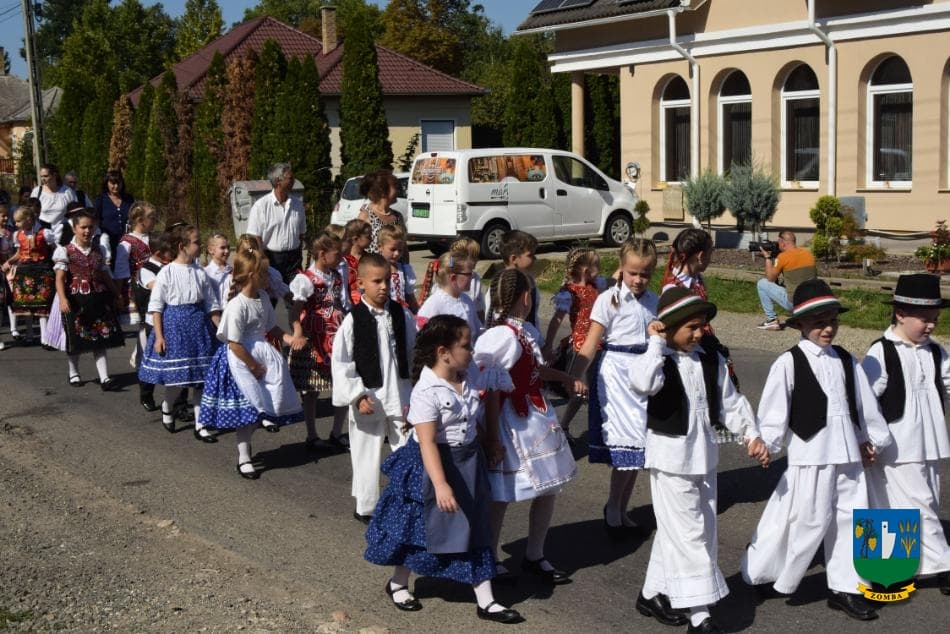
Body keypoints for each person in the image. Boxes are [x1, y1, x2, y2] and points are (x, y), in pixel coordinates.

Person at [741, 279, 893, 622]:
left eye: (832, 321)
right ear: (799, 324)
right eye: (819, 322)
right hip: (811, 456)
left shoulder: (847, 360)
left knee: (853, 519)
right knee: (804, 523)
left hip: (848, 456)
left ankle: (847, 588)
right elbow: (775, 412)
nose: (828, 328)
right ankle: (765, 573)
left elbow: (863, 407)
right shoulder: (788, 363)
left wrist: (871, 440)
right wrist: (767, 442)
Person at [363, 315, 522, 624]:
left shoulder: (467, 377)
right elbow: (427, 443)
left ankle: (486, 600)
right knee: (418, 529)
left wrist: (489, 442)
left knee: (476, 525)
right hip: (433, 466)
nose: (472, 351)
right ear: (443, 352)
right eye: (466, 346)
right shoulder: (427, 391)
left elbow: (470, 418)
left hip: (468, 462)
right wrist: (440, 484)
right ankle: (398, 583)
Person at [631, 287, 768, 632]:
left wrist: (750, 434)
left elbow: (730, 402)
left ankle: (651, 593)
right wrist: (656, 343)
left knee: (689, 530)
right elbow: (642, 383)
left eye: (701, 326)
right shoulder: (657, 359)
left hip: (704, 458)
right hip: (670, 461)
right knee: (691, 536)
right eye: (690, 327)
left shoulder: (710, 358)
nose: (698, 334)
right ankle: (700, 613)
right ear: (668, 327)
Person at [474, 268, 582, 586]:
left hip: (534, 415)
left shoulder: (524, 332)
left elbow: (534, 369)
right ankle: (489, 558)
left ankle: (535, 554)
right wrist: (492, 438)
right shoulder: (502, 336)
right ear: (526, 297)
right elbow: (490, 387)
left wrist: (565, 378)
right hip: (510, 420)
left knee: (548, 486)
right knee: (501, 492)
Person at [861, 274, 950, 594]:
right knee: (915, 504)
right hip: (896, 442)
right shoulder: (881, 351)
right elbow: (865, 400)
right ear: (900, 314)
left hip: (929, 441)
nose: (931, 325)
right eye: (925, 319)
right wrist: (867, 439)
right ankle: (944, 565)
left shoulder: (936, 351)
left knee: (915, 503)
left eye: (935, 319)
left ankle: (892, 570)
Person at [571, 238, 659, 539]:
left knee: (638, 447)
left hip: (643, 375)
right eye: (633, 273)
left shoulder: (654, 301)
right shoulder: (608, 299)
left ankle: (620, 509)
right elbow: (591, 343)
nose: (638, 280)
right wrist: (576, 375)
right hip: (617, 378)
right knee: (626, 446)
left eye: (645, 274)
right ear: (622, 268)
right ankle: (613, 510)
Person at [199, 245, 305, 480]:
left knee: (267, 399)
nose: (269, 277)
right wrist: (254, 366)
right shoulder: (237, 305)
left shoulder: (263, 297)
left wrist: (290, 339)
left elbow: (270, 327)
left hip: (261, 353)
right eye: (265, 273)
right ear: (251, 275)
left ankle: (262, 423)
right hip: (241, 360)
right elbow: (234, 343)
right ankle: (244, 457)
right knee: (247, 411)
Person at [331, 252, 417, 523]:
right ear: (360, 284)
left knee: (407, 449)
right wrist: (356, 396)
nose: (383, 287)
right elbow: (341, 362)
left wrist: (418, 385)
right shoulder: (353, 320)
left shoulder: (401, 314)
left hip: (400, 394)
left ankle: (408, 500)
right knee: (366, 453)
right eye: (377, 281)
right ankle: (366, 506)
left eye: (387, 281)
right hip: (370, 397)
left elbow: (414, 350)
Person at [138, 223, 222, 442]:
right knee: (178, 379)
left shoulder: (200, 272)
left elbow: (211, 305)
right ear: (182, 246)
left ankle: (200, 425)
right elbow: (156, 307)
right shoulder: (167, 272)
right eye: (196, 242)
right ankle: (167, 406)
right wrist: (159, 337)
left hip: (199, 328)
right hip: (175, 329)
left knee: (202, 379)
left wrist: (223, 331)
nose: (200, 246)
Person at [288, 232, 349, 452]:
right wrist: (297, 332)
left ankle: (337, 431)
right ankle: (312, 434)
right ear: (323, 254)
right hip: (316, 338)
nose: (341, 258)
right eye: (337, 254)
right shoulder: (305, 280)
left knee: (343, 383)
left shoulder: (336, 275)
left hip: (337, 335)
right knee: (312, 389)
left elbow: (341, 303)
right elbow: (294, 312)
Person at [53, 208, 124, 389]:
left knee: (100, 338)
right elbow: (60, 278)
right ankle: (74, 373)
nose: (87, 231)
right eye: (83, 227)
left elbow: (104, 275)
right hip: (76, 300)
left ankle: (104, 377)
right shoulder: (65, 251)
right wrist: (62, 299)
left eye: (90, 227)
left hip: (98, 298)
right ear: (75, 228)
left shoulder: (98, 250)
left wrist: (117, 294)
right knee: (76, 339)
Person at [543, 246, 606, 440]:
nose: (600, 270)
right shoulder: (570, 293)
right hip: (581, 348)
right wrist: (548, 345)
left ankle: (568, 425)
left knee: (595, 389)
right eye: (597, 267)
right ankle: (560, 426)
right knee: (581, 391)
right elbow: (556, 320)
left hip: (599, 343)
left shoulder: (596, 286)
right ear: (586, 270)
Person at [663, 228, 739, 389]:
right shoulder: (674, 289)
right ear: (700, 256)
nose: (710, 259)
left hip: (701, 338)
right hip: (687, 349)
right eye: (710, 253)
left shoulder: (696, 278)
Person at [2, 205, 55, 344]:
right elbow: (19, 254)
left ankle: (45, 337)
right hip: (24, 271)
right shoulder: (18, 235)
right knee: (26, 304)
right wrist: (9, 262)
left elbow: (53, 249)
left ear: (28, 219)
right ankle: (30, 334)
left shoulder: (45, 233)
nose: (16, 224)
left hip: (41, 270)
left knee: (42, 304)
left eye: (18, 221)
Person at [246, 162, 306, 284]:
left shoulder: (297, 204)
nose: (294, 181)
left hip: (294, 261)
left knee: (297, 293)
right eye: (290, 178)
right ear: (278, 180)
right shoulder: (261, 206)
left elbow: (301, 234)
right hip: (271, 260)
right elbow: (254, 238)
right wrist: (262, 261)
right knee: (273, 295)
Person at [135, 233, 172, 412]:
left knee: (176, 360)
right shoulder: (146, 270)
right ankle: (146, 392)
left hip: (172, 319)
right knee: (154, 359)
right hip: (154, 320)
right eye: (169, 251)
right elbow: (159, 288)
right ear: (158, 253)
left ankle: (178, 402)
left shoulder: (171, 265)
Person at [485, 231, 542, 340]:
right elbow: (489, 315)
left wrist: (539, 340)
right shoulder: (499, 286)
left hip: (529, 339)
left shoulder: (531, 284)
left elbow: (534, 317)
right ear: (514, 259)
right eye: (530, 255)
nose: (535, 259)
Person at [756, 231, 817, 331]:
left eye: (778, 242)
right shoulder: (809, 254)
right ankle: (802, 316)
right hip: (812, 302)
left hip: (795, 303)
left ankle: (772, 321)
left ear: (782, 242)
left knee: (762, 283)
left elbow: (770, 279)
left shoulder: (783, 257)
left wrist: (767, 257)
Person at [416, 250, 481, 338]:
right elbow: (422, 335)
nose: (472, 277)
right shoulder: (434, 304)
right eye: (469, 274)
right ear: (453, 277)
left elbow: (477, 329)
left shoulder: (467, 299)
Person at [114, 201, 158, 333]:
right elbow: (120, 271)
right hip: (137, 288)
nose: (155, 221)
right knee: (143, 326)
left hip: (154, 284)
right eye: (152, 218)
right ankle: (142, 346)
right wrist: (118, 294)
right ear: (140, 221)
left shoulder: (154, 238)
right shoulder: (127, 243)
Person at [357, 170, 405, 255]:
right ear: (383, 192)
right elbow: (357, 247)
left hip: (397, 263)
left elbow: (404, 246)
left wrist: (406, 263)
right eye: (395, 187)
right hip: (373, 263)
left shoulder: (398, 216)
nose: (398, 191)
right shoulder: (365, 216)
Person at [93, 170, 135, 266]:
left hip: (126, 240)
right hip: (108, 241)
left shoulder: (129, 199)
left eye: (118, 183)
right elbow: (95, 219)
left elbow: (134, 216)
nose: (116, 186)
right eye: (112, 183)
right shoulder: (101, 199)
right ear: (107, 183)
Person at [377, 224, 418, 313]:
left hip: (402, 314)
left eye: (400, 250)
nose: (397, 254)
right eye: (393, 249)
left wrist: (417, 314)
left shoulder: (404, 270)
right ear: (380, 247)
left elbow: (411, 297)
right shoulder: (375, 269)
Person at [30, 164, 76, 243]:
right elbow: (30, 213)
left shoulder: (67, 192)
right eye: (41, 176)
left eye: (46, 176)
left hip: (63, 235)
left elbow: (75, 213)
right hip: (42, 236)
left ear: (54, 175)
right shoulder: (37, 191)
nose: (43, 179)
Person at [342, 218, 371, 306]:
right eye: (368, 237)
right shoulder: (343, 261)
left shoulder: (370, 258)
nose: (372, 239)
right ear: (355, 239)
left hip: (369, 302)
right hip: (349, 304)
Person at [203, 233, 232, 306]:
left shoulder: (232, 271)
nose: (227, 251)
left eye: (228, 247)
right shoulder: (206, 273)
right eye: (222, 248)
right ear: (211, 250)